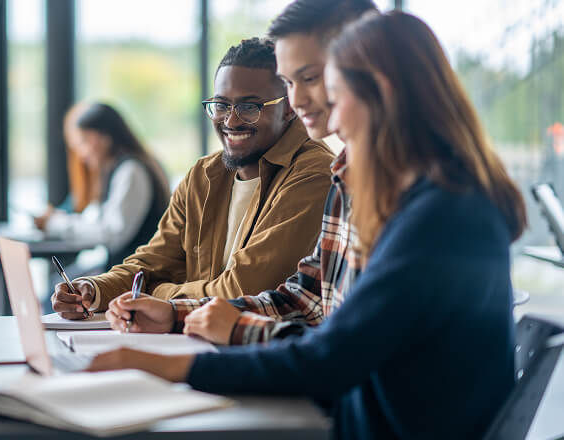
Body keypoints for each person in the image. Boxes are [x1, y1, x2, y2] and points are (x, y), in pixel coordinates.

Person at [87, 10, 527, 439]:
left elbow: (333, 357)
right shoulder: (369, 185)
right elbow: (309, 297)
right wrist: (179, 314)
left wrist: (171, 364)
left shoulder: (443, 214)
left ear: (381, 92)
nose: (321, 113)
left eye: (327, 89)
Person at [106, 0, 377, 344]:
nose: (300, 100)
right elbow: (303, 301)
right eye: (291, 83)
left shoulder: (362, 180)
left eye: (311, 78)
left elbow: (344, 348)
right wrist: (175, 313)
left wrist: (172, 306)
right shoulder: (347, 176)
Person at [52, 38, 336, 319]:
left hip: (263, 351)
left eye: (250, 107)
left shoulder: (312, 174)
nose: (231, 120)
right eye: (222, 105)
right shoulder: (204, 175)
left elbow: (242, 291)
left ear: (287, 107)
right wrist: (93, 289)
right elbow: (151, 263)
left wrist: (156, 294)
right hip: (195, 339)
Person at [33, 102, 171, 269]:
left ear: (104, 138)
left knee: (59, 289)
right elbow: (97, 220)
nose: (81, 154)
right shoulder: (115, 171)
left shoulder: (131, 171)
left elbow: (113, 233)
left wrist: (55, 224)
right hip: (125, 271)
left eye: (84, 142)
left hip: (135, 276)